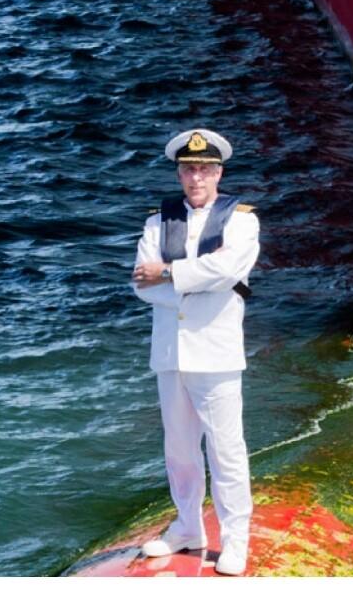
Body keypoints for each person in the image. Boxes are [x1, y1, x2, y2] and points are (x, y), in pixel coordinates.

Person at [132, 128, 259, 576]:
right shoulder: (157, 221)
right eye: (188, 169)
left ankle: (236, 537)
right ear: (180, 173)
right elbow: (140, 287)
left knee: (226, 449)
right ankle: (188, 525)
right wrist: (192, 281)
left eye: (204, 169)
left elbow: (227, 271)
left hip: (218, 352)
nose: (196, 177)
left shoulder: (242, 220)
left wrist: (167, 273)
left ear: (218, 172)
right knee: (180, 449)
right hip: (171, 353)